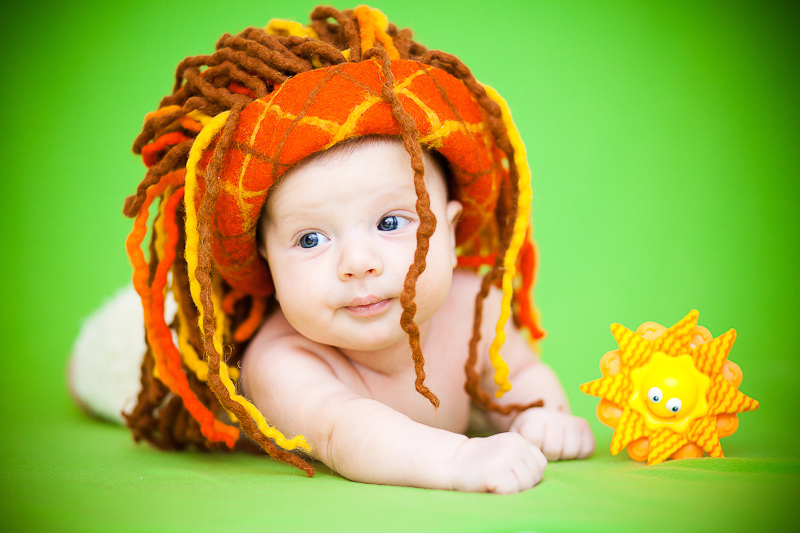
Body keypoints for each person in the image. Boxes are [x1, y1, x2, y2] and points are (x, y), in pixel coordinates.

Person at [70, 5, 594, 494]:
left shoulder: (475, 306)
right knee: (115, 359)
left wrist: (539, 414)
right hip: (172, 356)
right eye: (311, 239)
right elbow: (345, 433)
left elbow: (518, 376)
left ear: (453, 234)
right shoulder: (283, 361)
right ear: (266, 259)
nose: (358, 264)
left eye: (390, 222)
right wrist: (458, 460)